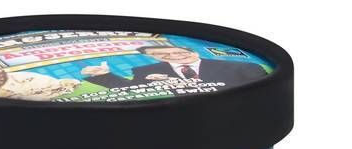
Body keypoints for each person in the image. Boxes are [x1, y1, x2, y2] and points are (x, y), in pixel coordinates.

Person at [81, 45, 267, 89]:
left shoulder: (240, 66)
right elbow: (130, 90)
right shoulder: (144, 71)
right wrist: (103, 75)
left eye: (177, 52)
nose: (173, 56)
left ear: (192, 50)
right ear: (153, 57)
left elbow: (257, 92)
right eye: (162, 54)